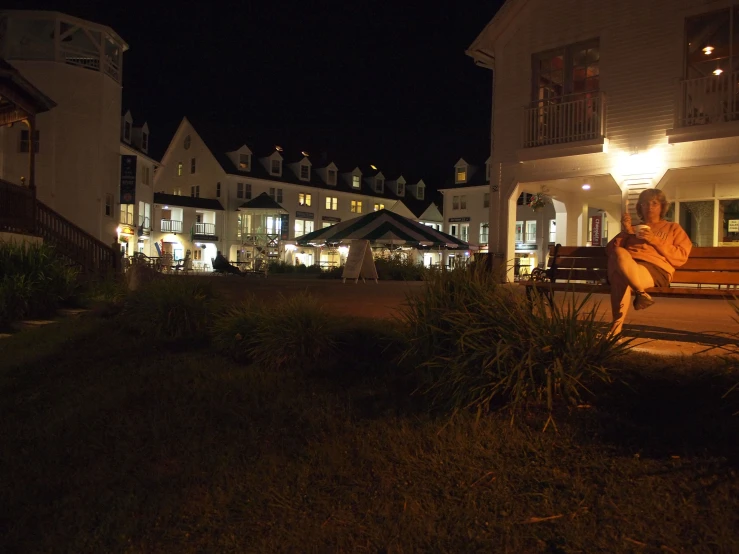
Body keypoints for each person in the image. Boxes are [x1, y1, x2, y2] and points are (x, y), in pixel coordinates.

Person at [605, 189, 692, 337]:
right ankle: (641, 293)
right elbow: (609, 251)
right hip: (629, 265)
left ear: (662, 206)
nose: (650, 207)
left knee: (620, 277)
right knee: (619, 254)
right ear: (640, 207)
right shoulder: (631, 230)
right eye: (645, 204)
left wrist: (653, 239)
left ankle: (615, 329)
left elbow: (681, 256)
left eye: (654, 203)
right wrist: (626, 232)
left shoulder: (673, 228)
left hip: (655, 269)